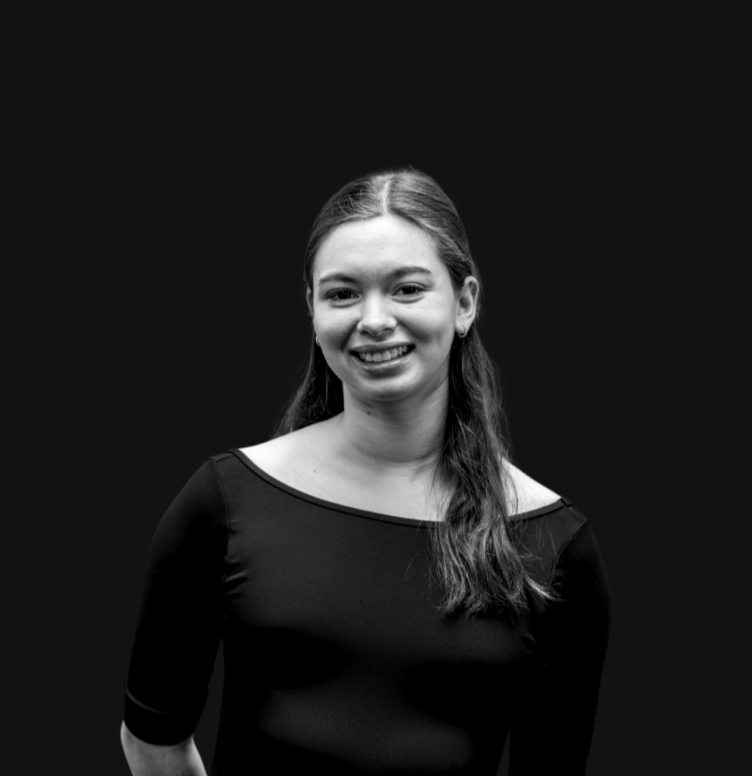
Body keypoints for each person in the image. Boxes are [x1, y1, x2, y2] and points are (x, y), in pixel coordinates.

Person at [121, 168, 611, 775]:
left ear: (465, 303)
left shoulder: (552, 543)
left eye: (407, 289)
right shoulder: (225, 500)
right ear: (312, 309)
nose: (374, 319)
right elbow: (152, 739)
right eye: (343, 293)